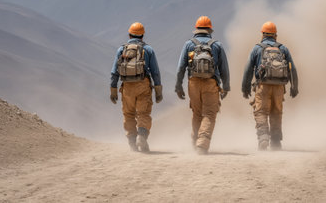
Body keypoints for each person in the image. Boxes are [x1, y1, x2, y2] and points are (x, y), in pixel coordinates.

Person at [175, 16, 230, 155]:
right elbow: (224, 68)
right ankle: (202, 143)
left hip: (193, 83)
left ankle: (195, 142)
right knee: (210, 114)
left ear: (196, 29)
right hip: (211, 83)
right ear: (210, 29)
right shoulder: (216, 45)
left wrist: (178, 86)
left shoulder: (189, 44)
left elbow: (181, 67)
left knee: (197, 113)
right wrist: (226, 86)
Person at [241, 21, 298, 151]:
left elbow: (248, 69)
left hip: (262, 86)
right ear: (275, 35)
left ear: (262, 34)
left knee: (261, 112)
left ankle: (263, 138)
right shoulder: (283, 48)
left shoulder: (257, 48)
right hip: (279, 88)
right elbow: (292, 69)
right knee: (276, 112)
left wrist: (245, 88)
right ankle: (276, 142)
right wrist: (295, 87)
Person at [110, 22, 163, 152]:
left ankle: (132, 142)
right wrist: (158, 91)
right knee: (143, 113)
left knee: (128, 114)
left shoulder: (121, 50)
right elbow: (155, 72)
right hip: (143, 85)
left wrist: (113, 91)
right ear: (142, 35)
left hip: (127, 87)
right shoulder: (148, 49)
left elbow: (114, 72)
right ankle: (142, 136)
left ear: (129, 34)